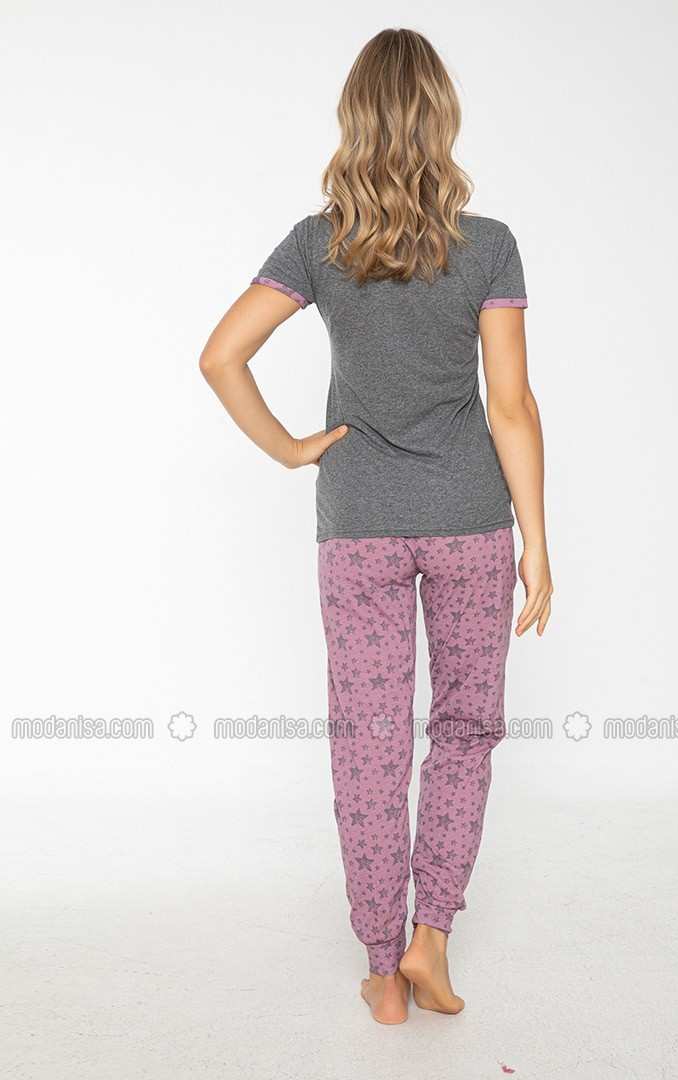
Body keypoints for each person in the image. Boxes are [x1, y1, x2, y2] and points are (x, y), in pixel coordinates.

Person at [199, 27, 553, 1025]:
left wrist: (290, 448)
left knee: (367, 741)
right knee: (465, 729)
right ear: (442, 118)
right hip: (469, 521)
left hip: (355, 522)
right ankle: (429, 938)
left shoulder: (319, 243)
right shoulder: (487, 245)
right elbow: (511, 405)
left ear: (353, 119)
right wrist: (536, 540)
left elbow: (221, 356)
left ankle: (381, 968)